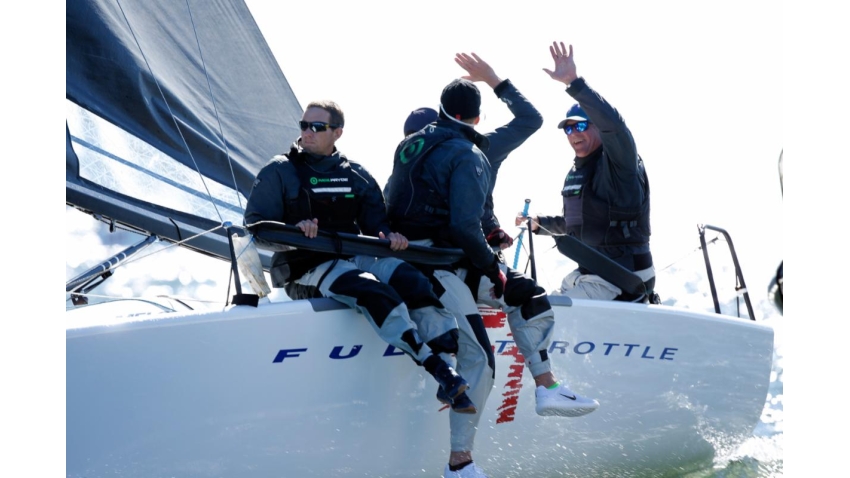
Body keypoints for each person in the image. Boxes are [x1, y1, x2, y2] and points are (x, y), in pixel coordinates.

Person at [387, 53, 599, 478]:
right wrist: (492, 266)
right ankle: (459, 464)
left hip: (454, 258)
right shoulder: (469, 151)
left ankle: (547, 388)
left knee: (529, 294)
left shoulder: (416, 147)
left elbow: (450, 215)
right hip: (437, 266)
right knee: (482, 358)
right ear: (478, 117)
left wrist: (490, 236)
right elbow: (459, 225)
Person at [243, 100, 478, 417]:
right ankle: (438, 368)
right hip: (306, 268)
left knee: (414, 281)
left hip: (356, 255)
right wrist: (295, 230)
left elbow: (377, 226)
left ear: (337, 132)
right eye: (303, 125)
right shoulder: (278, 171)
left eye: (317, 127)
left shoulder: (356, 175)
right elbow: (256, 228)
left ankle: (447, 363)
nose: (307, 133)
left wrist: (389, 236)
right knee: (373, 291)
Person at [517, 42, 656, 303]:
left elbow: (615, 126)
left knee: (551, 316)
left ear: (597, 128)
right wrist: (540, 224)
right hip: (591, 272)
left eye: (580, 126)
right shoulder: (579, 168)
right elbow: (581, 222)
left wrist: (574, 83)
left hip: (624, 276)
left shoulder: (620, 162)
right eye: (568, 129)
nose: (574, 134)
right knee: (537, 308)